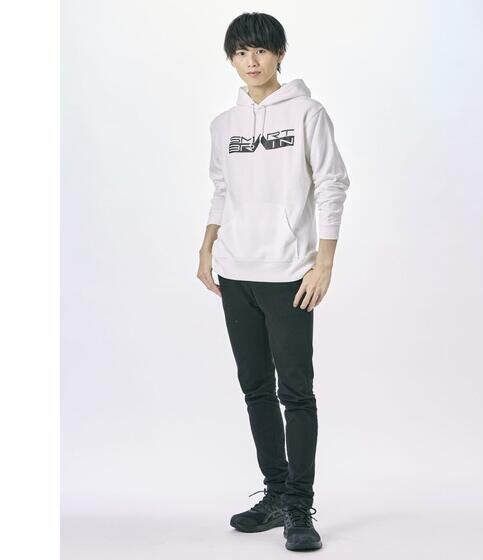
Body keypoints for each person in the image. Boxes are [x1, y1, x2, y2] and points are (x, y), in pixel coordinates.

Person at [197, 12, 350, 552]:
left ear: (280, 53)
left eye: (260, 50)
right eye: (241, 52)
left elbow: (332, 185)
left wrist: (323, 263)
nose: (251, 61)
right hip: (235, 271)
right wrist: (206, 246)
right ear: (231, 59)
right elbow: (222, 190)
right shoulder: (223, 125)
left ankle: (300, 507)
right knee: (255, 388)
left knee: (296, 392)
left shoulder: (308, 113)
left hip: (289, 275)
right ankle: (276, 493)